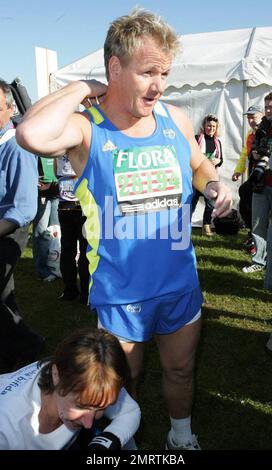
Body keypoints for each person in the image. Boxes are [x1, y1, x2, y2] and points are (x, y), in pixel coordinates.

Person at [16, 9, 232, 450]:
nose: (158, 84)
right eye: (147, 71)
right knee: (120, 384)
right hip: (122, 295)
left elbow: (196, 163)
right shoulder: (87, 126)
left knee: (180, 371)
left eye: (165, 72)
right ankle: (117, 448)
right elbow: (31, 134)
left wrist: (213, 182)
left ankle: (182, 437)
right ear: (115, 68)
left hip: (179, 284)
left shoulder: (174, 119)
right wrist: (81, 87)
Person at [0, 327, 140, 450]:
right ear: (56, 375)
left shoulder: (89, 376)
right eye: (80, 406)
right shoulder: (6, 428)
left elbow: (130, 411)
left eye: (101, 408)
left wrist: (104, 443)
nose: (88, 423)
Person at [0, 78, 44, 372]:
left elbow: (25, 207)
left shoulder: (16, 146)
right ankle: (16, 354)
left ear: (9, 107)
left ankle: (30, 349)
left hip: (8, 231)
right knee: (4, 297)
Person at [242, 93, 272, 279]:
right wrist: (256, 153)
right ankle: (259, 261)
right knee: (258, 225)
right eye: (267, 107)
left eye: (271, 107)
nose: (268, 110)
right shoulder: (262, 127)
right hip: (260, 183)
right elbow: (254, 149)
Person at [56, 154, 89, 304]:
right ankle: (84, 293)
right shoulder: (83, 145)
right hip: (80, 206)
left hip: (66, 205)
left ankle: (71, 291)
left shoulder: (59, 148)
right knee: (84, 251)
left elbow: (56, 171)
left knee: (69, 250)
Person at [232, 105, 263, 254]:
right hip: (254, 175)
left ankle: (258, 242)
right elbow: (245, 154)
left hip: (265, 177)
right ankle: (253, 235)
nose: (251, 120)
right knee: (246, 201)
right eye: (249, 117)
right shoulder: (251, 134)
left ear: (261, 115)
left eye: (253, 116)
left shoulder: (266, 132)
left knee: (258, 208)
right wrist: (238, 171)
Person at [192, 114, 223, 236]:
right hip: (196, 178)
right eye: (209, 125)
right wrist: (203, 161)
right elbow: (191, 156)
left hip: (210, 179)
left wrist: (218, 161)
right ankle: (183, 226)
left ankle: (206, 227)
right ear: (204, 126)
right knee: (190, 203)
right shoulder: (196, 138)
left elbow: (222, 159)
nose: (211, 128)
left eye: (214, 126)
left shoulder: (217, 142)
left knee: (210, 204)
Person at [32, 156, 61, 282]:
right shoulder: (36, 147)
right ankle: (43, 270)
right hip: (41, 195)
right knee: (41, 232)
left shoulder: (60, 146)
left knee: (56, 232)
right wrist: (34, 180)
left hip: (59, 194)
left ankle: (56, 267)